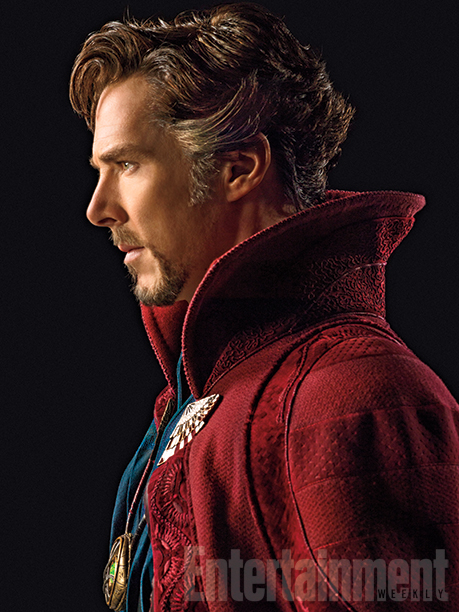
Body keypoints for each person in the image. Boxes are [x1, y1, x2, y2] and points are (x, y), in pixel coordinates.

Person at [70, 4, 458, 610]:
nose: (98, 209)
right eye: (100, 169)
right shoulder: (188, 399)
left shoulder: (358, 395)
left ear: (239, 167)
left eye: (126, 165)